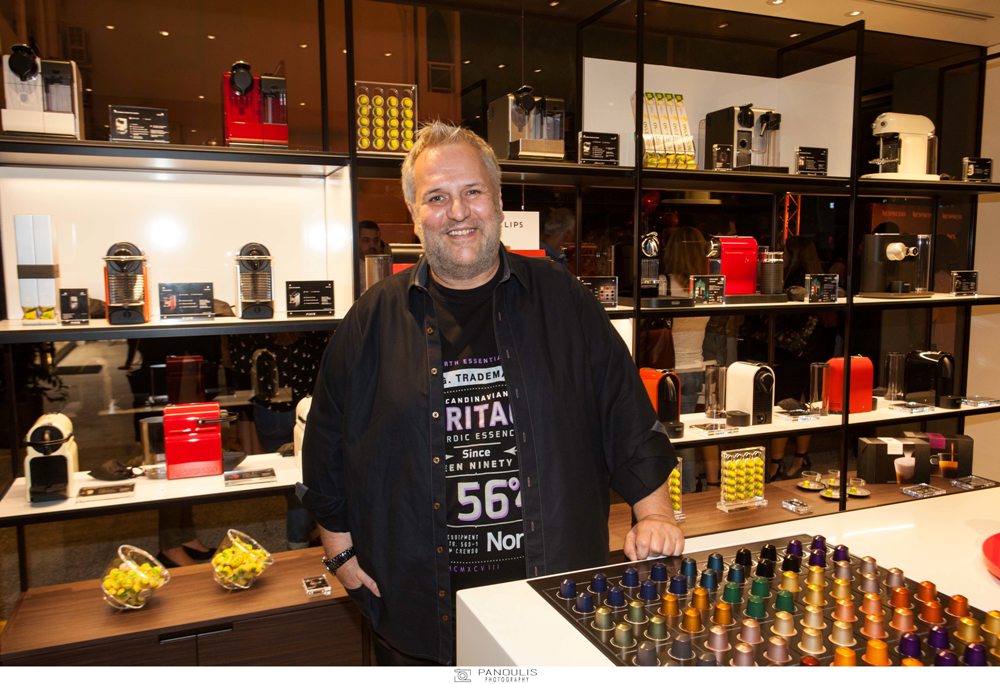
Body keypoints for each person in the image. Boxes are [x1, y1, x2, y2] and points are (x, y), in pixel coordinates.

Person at [299, 121, 684, 666]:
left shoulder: (566, 304)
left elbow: (626, 418)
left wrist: (656, 516)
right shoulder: (371, 321)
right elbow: (326, 444)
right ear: (414, 213)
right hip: (419, 611)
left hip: (554, 600)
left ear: (499, 201)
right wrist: (338, 550)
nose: (458, 211)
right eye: (437, 197)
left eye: (472, 191)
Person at [660, 227, 718, 491]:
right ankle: (690, 489)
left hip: (667, 371)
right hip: (695, 367)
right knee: (687, 437)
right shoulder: (706, 287)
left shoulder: (663, 284)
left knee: (666, 438)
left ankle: (675, 492)